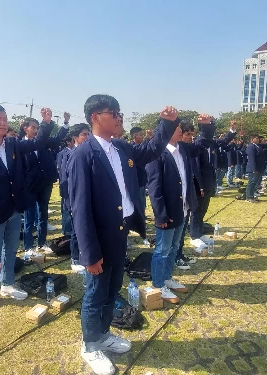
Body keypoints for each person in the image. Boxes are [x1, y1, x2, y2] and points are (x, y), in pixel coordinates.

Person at [68, 94, 178, 375]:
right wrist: (89, 254)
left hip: (120, 232)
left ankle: (103, 334)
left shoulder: (119, 147)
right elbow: (79, 210)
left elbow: (152, 150)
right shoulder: (83, 154)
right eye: (113, 113)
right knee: (96, 292)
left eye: (119, 112)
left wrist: (166, 124)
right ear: (95, 118)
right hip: (99, 237)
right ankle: (91, 345)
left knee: (113, 287)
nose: (120, 118)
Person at [0, 104, 57, 315]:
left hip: (15, 209)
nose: (3, 123)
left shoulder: (13, 144)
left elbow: (37, 142)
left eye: (5, 119)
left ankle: (7, 284)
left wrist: (45, 124)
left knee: (11, 249)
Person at [146, 116, 202, 303]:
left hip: (183, 208)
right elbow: (154, 188)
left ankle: (167, 278)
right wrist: (161, 215)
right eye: (177, 127)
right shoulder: (157, 153)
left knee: (174, 247)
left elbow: (204, 143)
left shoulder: (183, 150)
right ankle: (158, 284)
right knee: (162, 249)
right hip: (168, 212)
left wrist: (206, 126)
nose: (180, 130)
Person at [21, 111, 69, 253]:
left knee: (43, 216)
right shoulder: (20, 145)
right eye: (33, 127)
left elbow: (58, 138)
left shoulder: (43, 142)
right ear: (25, 128)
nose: (36, 130)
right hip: (30, 186)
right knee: (29, 219)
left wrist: (65, 123)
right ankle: (28, 246)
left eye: (38, 128)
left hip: (45, 184)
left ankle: (41, 243)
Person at [189, 121, 237, 250]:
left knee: (203, 209)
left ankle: (199, 233)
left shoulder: (211, 142)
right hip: (200, 182)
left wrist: (231, 131)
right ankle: (194, 236)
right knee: (196, 211)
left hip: (210, 181)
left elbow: (223, 142)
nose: (214, 131)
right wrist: (200, 186)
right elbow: (196, 167)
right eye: (211, 129)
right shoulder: (198, 143)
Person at [61, 123, 90, 273]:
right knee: (76, 231)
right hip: (74, 200)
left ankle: (85, 256)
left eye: (88, 134)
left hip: (88, 199)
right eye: (84, 134)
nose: (87, 137)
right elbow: (66, 182)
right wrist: (70, 204)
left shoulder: (90, 152)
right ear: (75, 137)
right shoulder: (72, 154)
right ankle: (75, 258)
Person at [174, 122, 200, 270]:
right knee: (172, 238)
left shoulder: (184, 150)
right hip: (176, 201)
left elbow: (203, 144)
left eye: (192, 134)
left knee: (182, 231)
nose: (191, 137)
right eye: (187, 134)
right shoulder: (168, 152)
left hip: (186, 198)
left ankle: (180, 254)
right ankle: (176, 257)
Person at [245, 133, 267, 202]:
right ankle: (249, 197)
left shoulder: (258, 146)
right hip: (254, 168)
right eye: (256, 138)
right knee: (252, 182)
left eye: (258, 138)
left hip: (259, 167)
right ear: (251, 139)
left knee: (255, 182)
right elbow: (251, 158)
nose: (258, 139)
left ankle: (252, 195)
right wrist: (254, 168)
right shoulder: (251, 147)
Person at [56, 137, 74, 236]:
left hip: (71, 186)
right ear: (68, 142)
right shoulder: (63, 154)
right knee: (67, 210)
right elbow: (62, 172)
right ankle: (67, 232)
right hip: (67, 186)